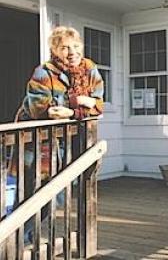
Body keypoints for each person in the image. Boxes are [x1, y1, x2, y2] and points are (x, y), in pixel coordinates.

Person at [10, 26, 104, 243]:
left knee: (60, 192)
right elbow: (42, 109)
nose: (72, 52)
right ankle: (19, 240)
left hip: (70, 141)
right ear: (54, 50)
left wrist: (71, 110)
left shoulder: (90, 70)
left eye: (76, 46)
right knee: (31, 192)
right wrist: (81, 102)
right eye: (64, 47)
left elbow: (98, 105)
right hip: (36, 142)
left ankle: (20, 237)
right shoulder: (43, 72)